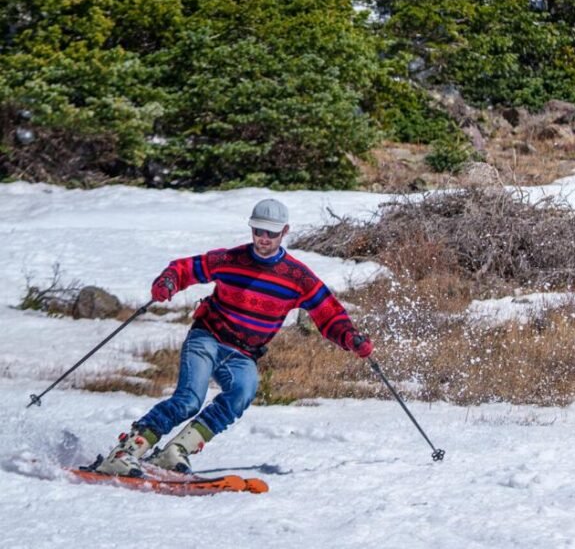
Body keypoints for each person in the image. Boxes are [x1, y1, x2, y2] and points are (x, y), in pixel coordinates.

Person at [96, 198, 373, 476]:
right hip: (207, 338)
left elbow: (328, 313)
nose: (263, 239)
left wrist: (351, 338)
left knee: (242, 392)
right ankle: (125, 452)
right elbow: (185, 269)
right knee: (189, 400)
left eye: (271, 233)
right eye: (258, 231)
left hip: (243, 354)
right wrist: (167, 283)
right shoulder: (230, 259)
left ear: (284, 232)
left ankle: (176, 451)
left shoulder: (298, 277)